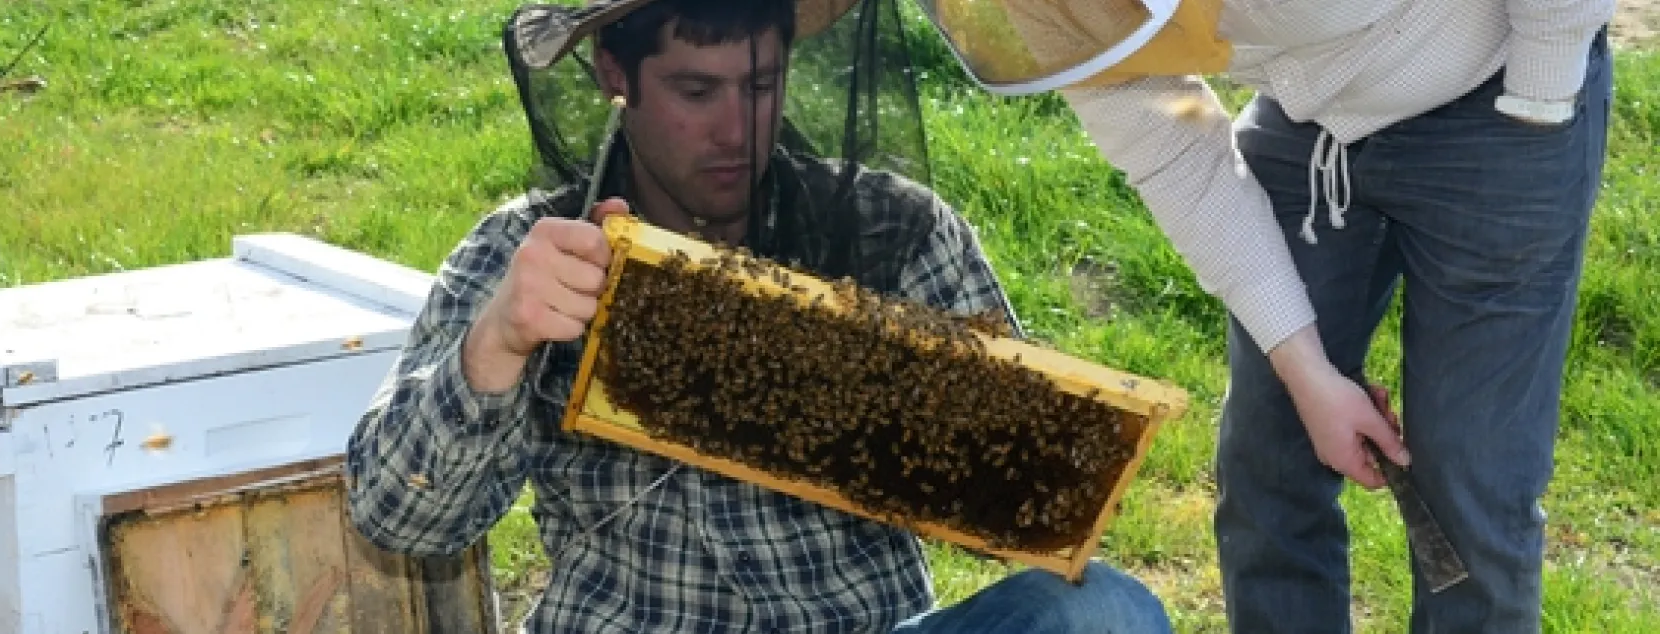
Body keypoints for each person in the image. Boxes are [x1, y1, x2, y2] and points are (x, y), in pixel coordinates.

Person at [346, 0, 1174, 631]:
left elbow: (1022, 499)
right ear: (613, 74)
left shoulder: (893, 229)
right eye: (697, 90)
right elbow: (399, 517)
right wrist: (498, 341)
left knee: (1102, 611)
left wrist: (998, 428)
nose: (737, 126)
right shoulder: (531, 251)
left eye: (761, 85)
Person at [909, 0, 1615, 631]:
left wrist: (1536, 108)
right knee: (1268, 458)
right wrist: (1306, 369)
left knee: (1473, 479)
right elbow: (1169, 144)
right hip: (1308, 120)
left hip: (1497, 85)